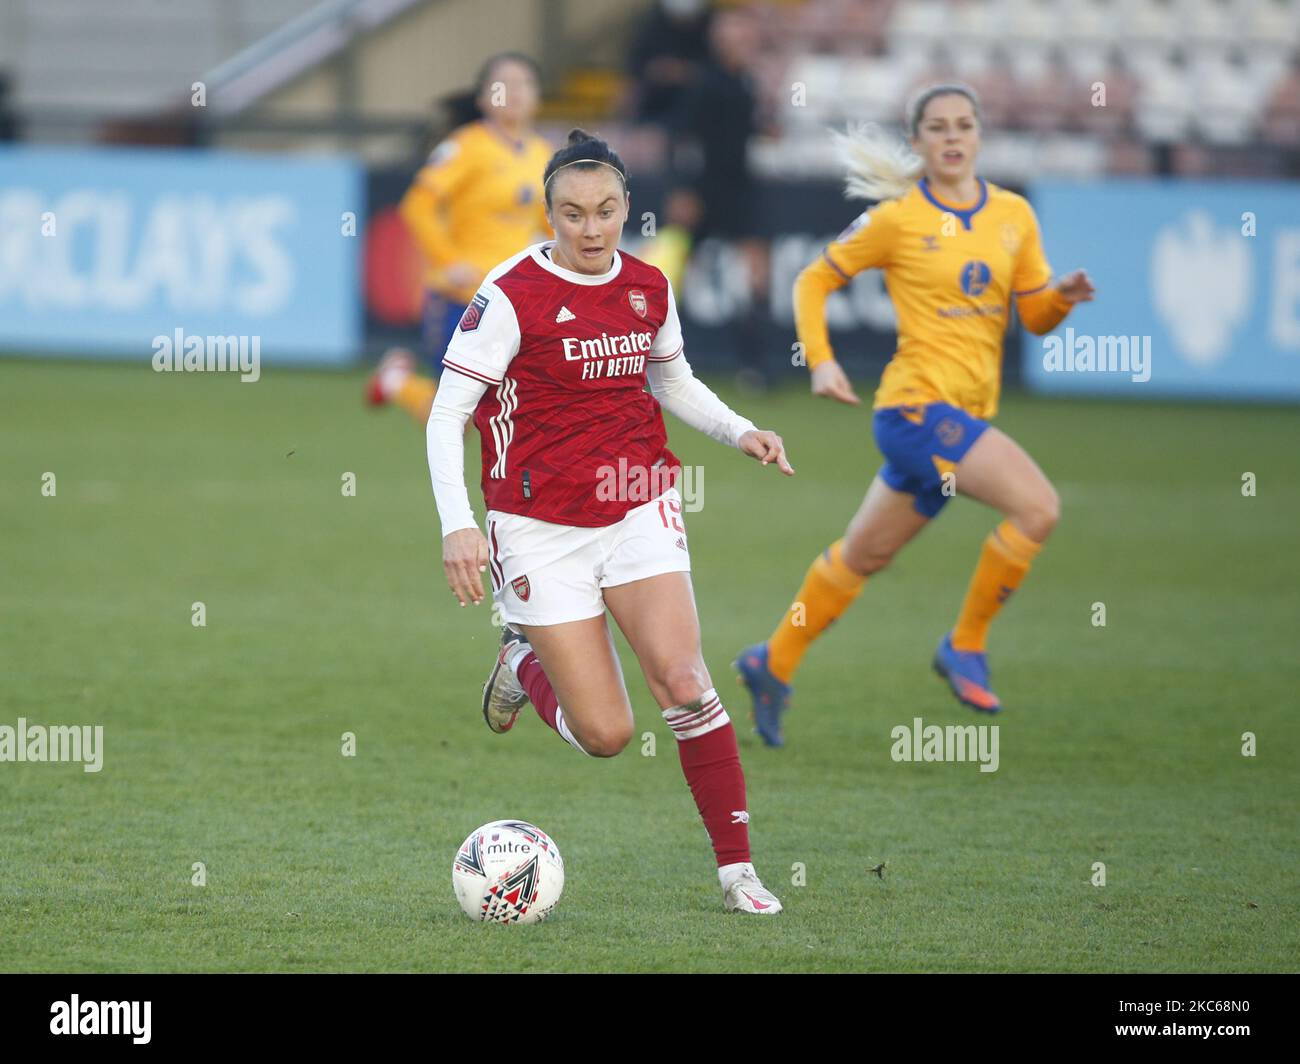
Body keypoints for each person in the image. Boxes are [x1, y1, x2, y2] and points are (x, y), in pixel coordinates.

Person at [426, 128, 794, 914]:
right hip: (535, 524)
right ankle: (523, 661)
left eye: (606, 211)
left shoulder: (648, 284)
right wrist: (459, 525)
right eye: (572, 213)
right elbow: (447, 411)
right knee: (607, 735)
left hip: (638, 500)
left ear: (627, 207)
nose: (591, 229)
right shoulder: (510, 293)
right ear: (549, 214)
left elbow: (672, 377)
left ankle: (737, 871)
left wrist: (740, 432)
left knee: (686, 682)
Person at [736, 84, 1096, 747]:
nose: (952, 136)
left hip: (956, 419)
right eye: (937, 127)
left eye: (964, 124)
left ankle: (771, 660)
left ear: (980, 135)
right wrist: (820, 360)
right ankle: (966, 645)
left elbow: (1038, 318)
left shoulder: (1013, 214)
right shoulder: (898, 218)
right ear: (920, 140)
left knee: (861, 557)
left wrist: (1064, 298)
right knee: (1039, 507)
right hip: (913, 412)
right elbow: (813, 279)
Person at [368, 53, 551, 425]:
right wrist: (448, 262)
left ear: (538, 97)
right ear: (484, 98)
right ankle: (398, 383)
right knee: (459, 416)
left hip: (517, 303)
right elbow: (417, 205)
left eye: (524, 84)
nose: (514, 93)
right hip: (463, 299)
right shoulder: (466, 146)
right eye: (503, 85)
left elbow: (552, 226)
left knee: (511, 409)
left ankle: (396, 381)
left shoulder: (544, 156)